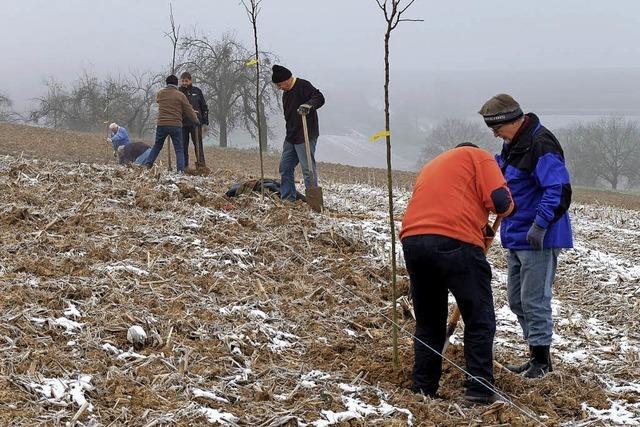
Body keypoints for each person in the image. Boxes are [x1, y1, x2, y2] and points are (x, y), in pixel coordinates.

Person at [400, 142, 514, 404]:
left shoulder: (432, 166)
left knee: (429, 323)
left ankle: (423, 388)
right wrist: (510, 207)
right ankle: (479, 389)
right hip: (456, 242)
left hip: (414, 242)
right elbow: (499, 200)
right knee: (479, 318)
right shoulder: (479, 157)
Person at [478, 94, 573, 379]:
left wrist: (541, 225)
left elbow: (558, 189)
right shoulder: (512, 145)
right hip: (516, 234)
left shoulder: (540, 143)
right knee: (517, 301)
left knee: (534, 300)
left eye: (496, 127)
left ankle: (542, 363)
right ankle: (535, 354)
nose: (494, 133)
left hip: (538, 237)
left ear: (511, 120)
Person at [272, 64, 325, 201]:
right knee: (285, 167)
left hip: (306, 135)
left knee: (308, 170)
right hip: (291, 136)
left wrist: (309, 105)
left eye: (279, 85)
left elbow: (319, 97)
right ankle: (288, 198)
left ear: (286, 79)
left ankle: (314, 202)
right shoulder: (286, 93)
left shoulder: (303, 85)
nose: (279, 88)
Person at [143, 75, 199, 172]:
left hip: (161, 124)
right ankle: (180, 171)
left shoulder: (160, 93)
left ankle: (148, 164)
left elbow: (158, 100)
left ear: (166, 83)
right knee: (179, 149)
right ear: (176, 84)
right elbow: (189, 109)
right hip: (175, 125)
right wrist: (196, 121)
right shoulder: (181, 95)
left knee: (157, 146)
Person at [179, 72, 209, 168]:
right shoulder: (178, 92)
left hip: (196, 123)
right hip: (182, 123)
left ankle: (201, 166)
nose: (184, 83)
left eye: (186, 81)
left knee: (198, 145)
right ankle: (184, 166)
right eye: (183, 81)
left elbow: (204, 106)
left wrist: (205, 121)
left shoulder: (197, 91)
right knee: (183, 146)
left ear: (190, 81)